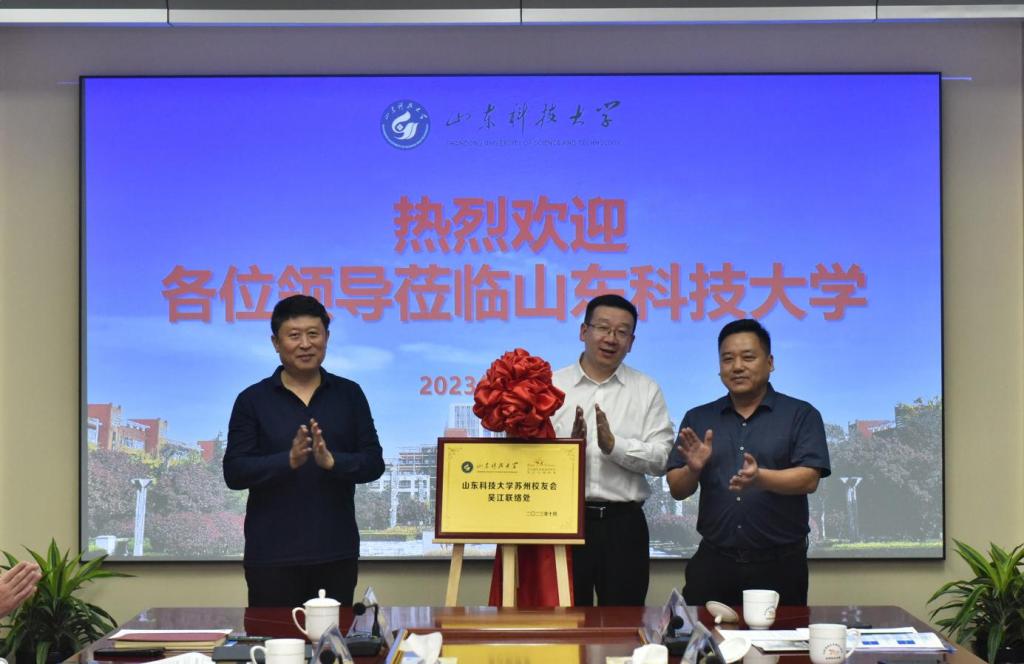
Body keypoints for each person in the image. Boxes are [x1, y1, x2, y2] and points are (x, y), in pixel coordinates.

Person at [224, 294, 385, 608]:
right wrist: (288, 460)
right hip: (271, 556)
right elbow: (235, 472)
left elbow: (373, 463)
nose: (305, 344)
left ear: (326, 338)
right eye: (294, 335)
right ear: (276, 342)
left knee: (331, 638)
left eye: (314, 334)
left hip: (335, 552)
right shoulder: (252, 400)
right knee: (272, 638)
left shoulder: (349, 395)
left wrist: (333, 461)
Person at [666, 319, 830, 606]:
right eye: (728, 359)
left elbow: (809, 478)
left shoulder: (801, 414)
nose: (737, 367)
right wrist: (693, 468)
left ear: (770, 362)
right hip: (714, 562)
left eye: (748, 357)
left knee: (782, 636)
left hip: (780, 565)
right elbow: (678, 490)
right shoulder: (699, 418)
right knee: (701, 635)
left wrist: (760, 478)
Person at [551, 293, 675, 606]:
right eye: (603, 328)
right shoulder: (551, 387)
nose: (611, 338)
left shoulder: (646, 389)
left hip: (624, 526)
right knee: (565, 620)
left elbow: (663, 458)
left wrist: (614, 447)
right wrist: (567, 452)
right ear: (583, 331)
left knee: (624, 621)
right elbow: (529, 455)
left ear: (631, 342)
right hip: (563, 522)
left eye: (622, 332)